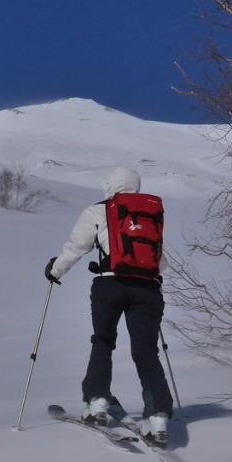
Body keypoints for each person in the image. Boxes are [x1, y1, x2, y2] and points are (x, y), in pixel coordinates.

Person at [44, 166, 173, 445]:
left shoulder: (98, 211)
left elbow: (77, 246)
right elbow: (161, 261)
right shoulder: (149, 212)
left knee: (103, 341)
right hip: (148, 289)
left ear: (110, 186)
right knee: (146, 351)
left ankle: (97, 402)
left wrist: (55, 270)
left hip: (109, 285)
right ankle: (158, 416)